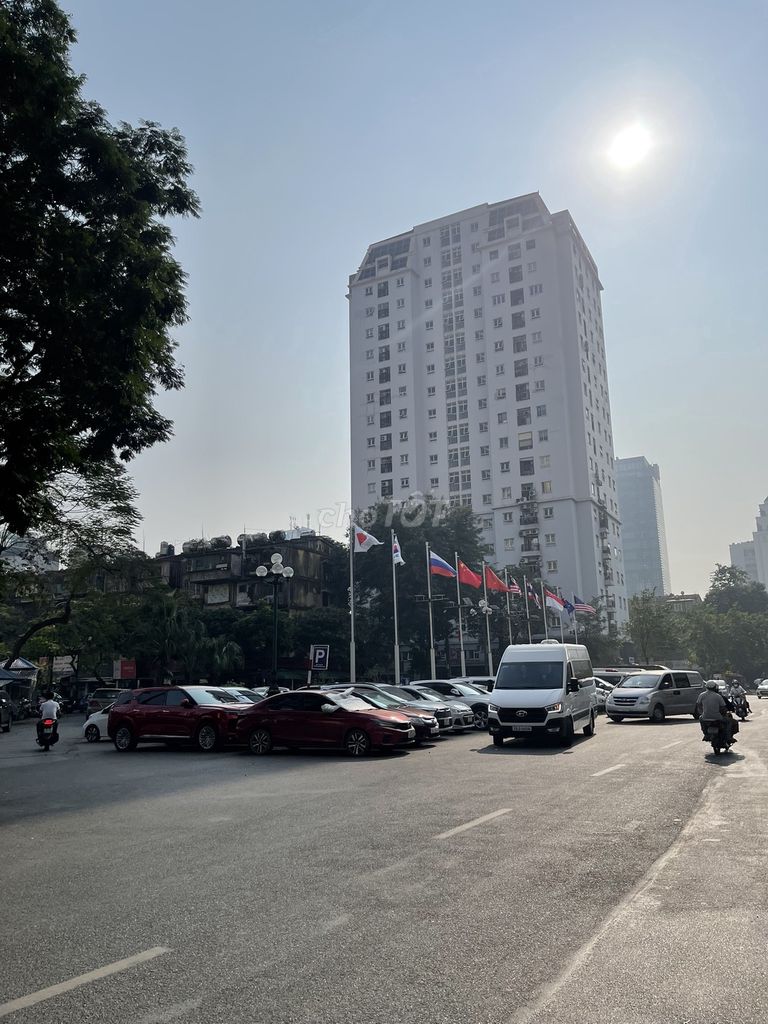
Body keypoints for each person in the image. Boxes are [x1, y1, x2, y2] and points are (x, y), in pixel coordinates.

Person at [697, 679, 736, 745]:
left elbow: (698, 705)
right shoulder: (718, 696)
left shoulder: (701, 695)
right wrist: (724, 713)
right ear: (715, 687)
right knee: (729, 722)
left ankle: (706, 734)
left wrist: (702, 712)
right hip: (718, 717)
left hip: (705, 717)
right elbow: (723, 707)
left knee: (701, 719)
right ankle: (729, 737)